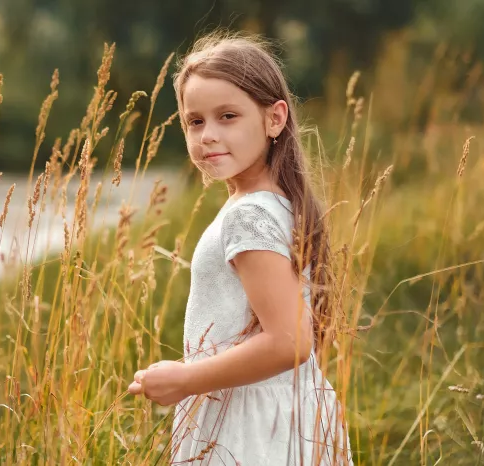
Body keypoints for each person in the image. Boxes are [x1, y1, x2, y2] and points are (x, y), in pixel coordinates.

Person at [127, 31, 355, 465]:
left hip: (251, 427)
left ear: (274, 119)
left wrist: (186, 379)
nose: (208, 135)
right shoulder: (272, 203)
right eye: (195, 121)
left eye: (227, 116)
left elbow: (290, 341)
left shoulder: (247, 216)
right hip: (278, 410)